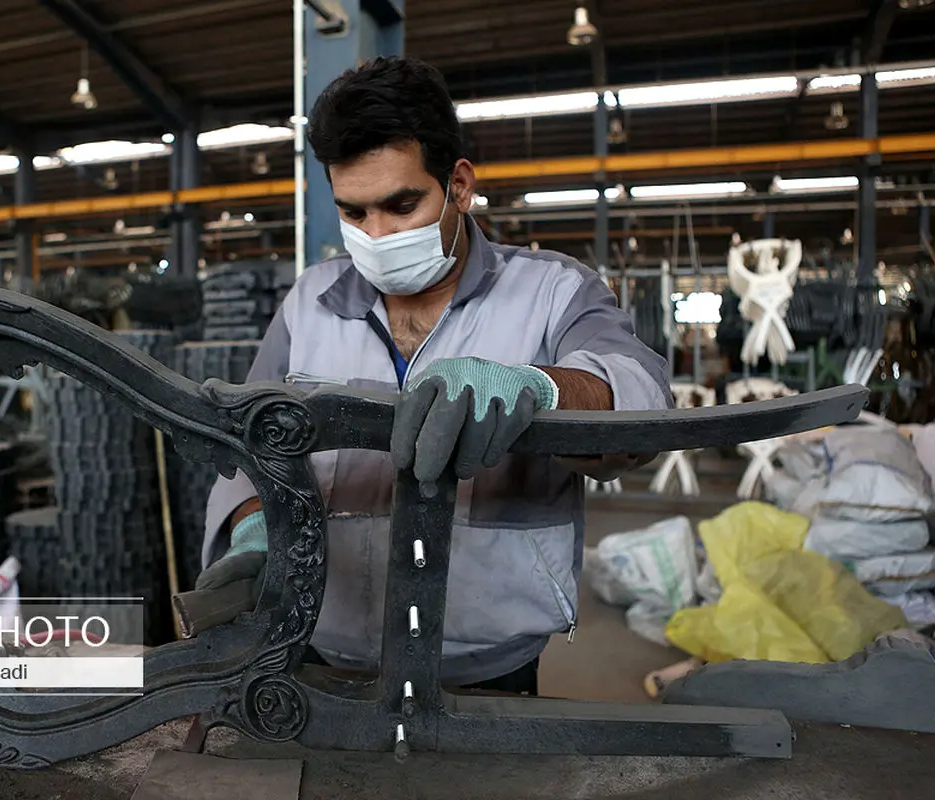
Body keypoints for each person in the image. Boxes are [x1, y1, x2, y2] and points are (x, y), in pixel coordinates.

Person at [197, 56, 672, 695]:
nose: (377, 235)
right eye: (354, 213)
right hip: (320, 644)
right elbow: (250, 444)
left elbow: (640, 403)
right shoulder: (309, 303)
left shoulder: (554, 291)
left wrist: (541, 389)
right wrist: (253, 528)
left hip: (486, 660)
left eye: (401, 204)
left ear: (459, 185)